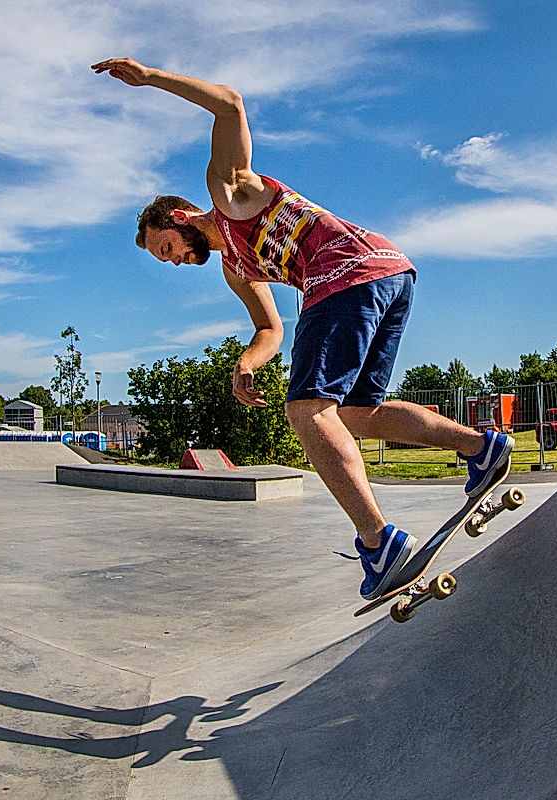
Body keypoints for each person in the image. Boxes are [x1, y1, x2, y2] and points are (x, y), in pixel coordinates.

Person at [92, 57, 514, 600]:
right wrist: (248, 363)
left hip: (344, 278)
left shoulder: (228, 195)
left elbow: (229, 102)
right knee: (356, 414)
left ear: (177, 219)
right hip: (388, 272)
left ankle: (380, 542)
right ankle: (482, 448)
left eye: (166, 249)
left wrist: (151, 78)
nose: (173, 262)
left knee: (306, 409)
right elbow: (269, 329)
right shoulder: (234, 269)